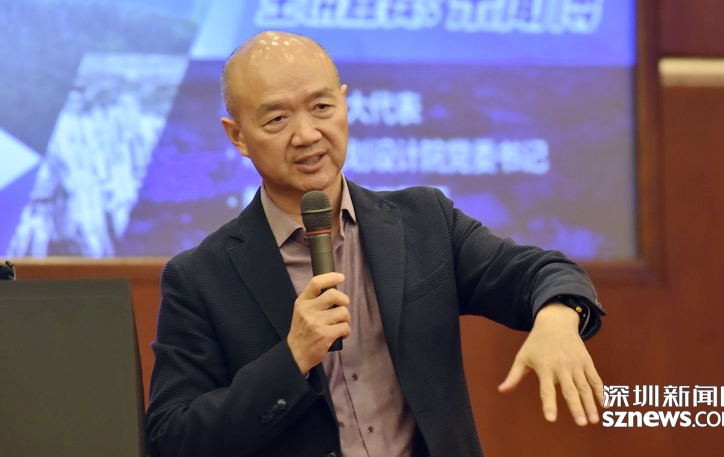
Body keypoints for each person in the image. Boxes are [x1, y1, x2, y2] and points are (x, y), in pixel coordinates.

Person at [145, 31, 606, 457]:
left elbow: (539, 272)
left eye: (321, 107)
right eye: (278, 118)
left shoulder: (423, 220)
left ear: (344, 105)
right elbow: (171, 438)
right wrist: (291, 358)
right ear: (238, 136)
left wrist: (558, 317)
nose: (307, 134)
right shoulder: (200, 278)